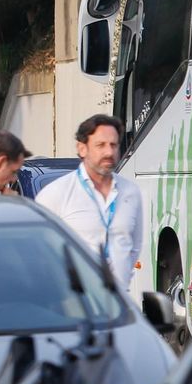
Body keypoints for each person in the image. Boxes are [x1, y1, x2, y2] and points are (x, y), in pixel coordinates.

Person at [36, 114, 145, 292]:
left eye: (113, 145)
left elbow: (134, 247)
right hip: (74, 298)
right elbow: (41, 251)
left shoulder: (131, 191)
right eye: (100, 145)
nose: (109, 152)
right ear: (82, 148)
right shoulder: (55, 194)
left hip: (118, 298)